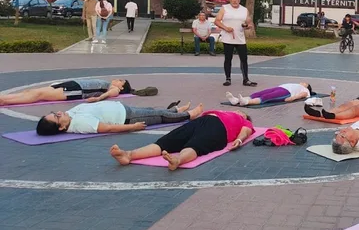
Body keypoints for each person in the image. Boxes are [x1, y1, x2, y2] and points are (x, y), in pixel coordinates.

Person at [110, 110, 254, 170]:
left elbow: (246, 131)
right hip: (201, 122)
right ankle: (128, 155)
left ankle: (178, 160)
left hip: (220, 129)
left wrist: (240, 140)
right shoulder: (221, 112)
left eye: (242, 113)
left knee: (196, 145)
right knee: (166, 141)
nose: (238, 111)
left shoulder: (243, 121)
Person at [35, 101, 204, 135]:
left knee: (150, 109)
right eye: (57, 117)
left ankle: (175, 109)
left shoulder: (70, 116)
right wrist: (133, 127)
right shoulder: (80, 124)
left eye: (55, 112)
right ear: (61, 128)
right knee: (159, 116)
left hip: (123, 109)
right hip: (126, 118)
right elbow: (108, 128)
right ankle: (187, 115)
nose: (59, 113)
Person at [214, 0, 256, 87]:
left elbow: (250, 23)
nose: (234, 0)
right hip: (228, 39)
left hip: (240, 39)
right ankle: (228, 79)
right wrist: (225, 28)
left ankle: (246, 79)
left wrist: (247, 26)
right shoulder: (224, 8)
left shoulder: (244, 10)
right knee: (228, 59)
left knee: (244, 59)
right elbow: (217, 21)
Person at [0, 78, 133, 106]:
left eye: (120, 81)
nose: (117, 79)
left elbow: (111, 93)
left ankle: (5, 101)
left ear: (122, 87)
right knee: (33, 91)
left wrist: (98, 99)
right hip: (72, 84)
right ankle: (4, 97)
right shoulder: (109, 83)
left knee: (39, 95)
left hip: (75, 90)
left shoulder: (114, 89)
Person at [226, 82, 313, 106]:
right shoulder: (297, 84)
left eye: (305, 83)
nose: (303, 82)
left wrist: (292, 98)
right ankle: (236, 100)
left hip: (286, 93)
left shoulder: (306, 90)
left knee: (267, 97)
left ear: (308, 86)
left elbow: (302, 95)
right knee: (259, 93)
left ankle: (247, 102)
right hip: (280, 87)